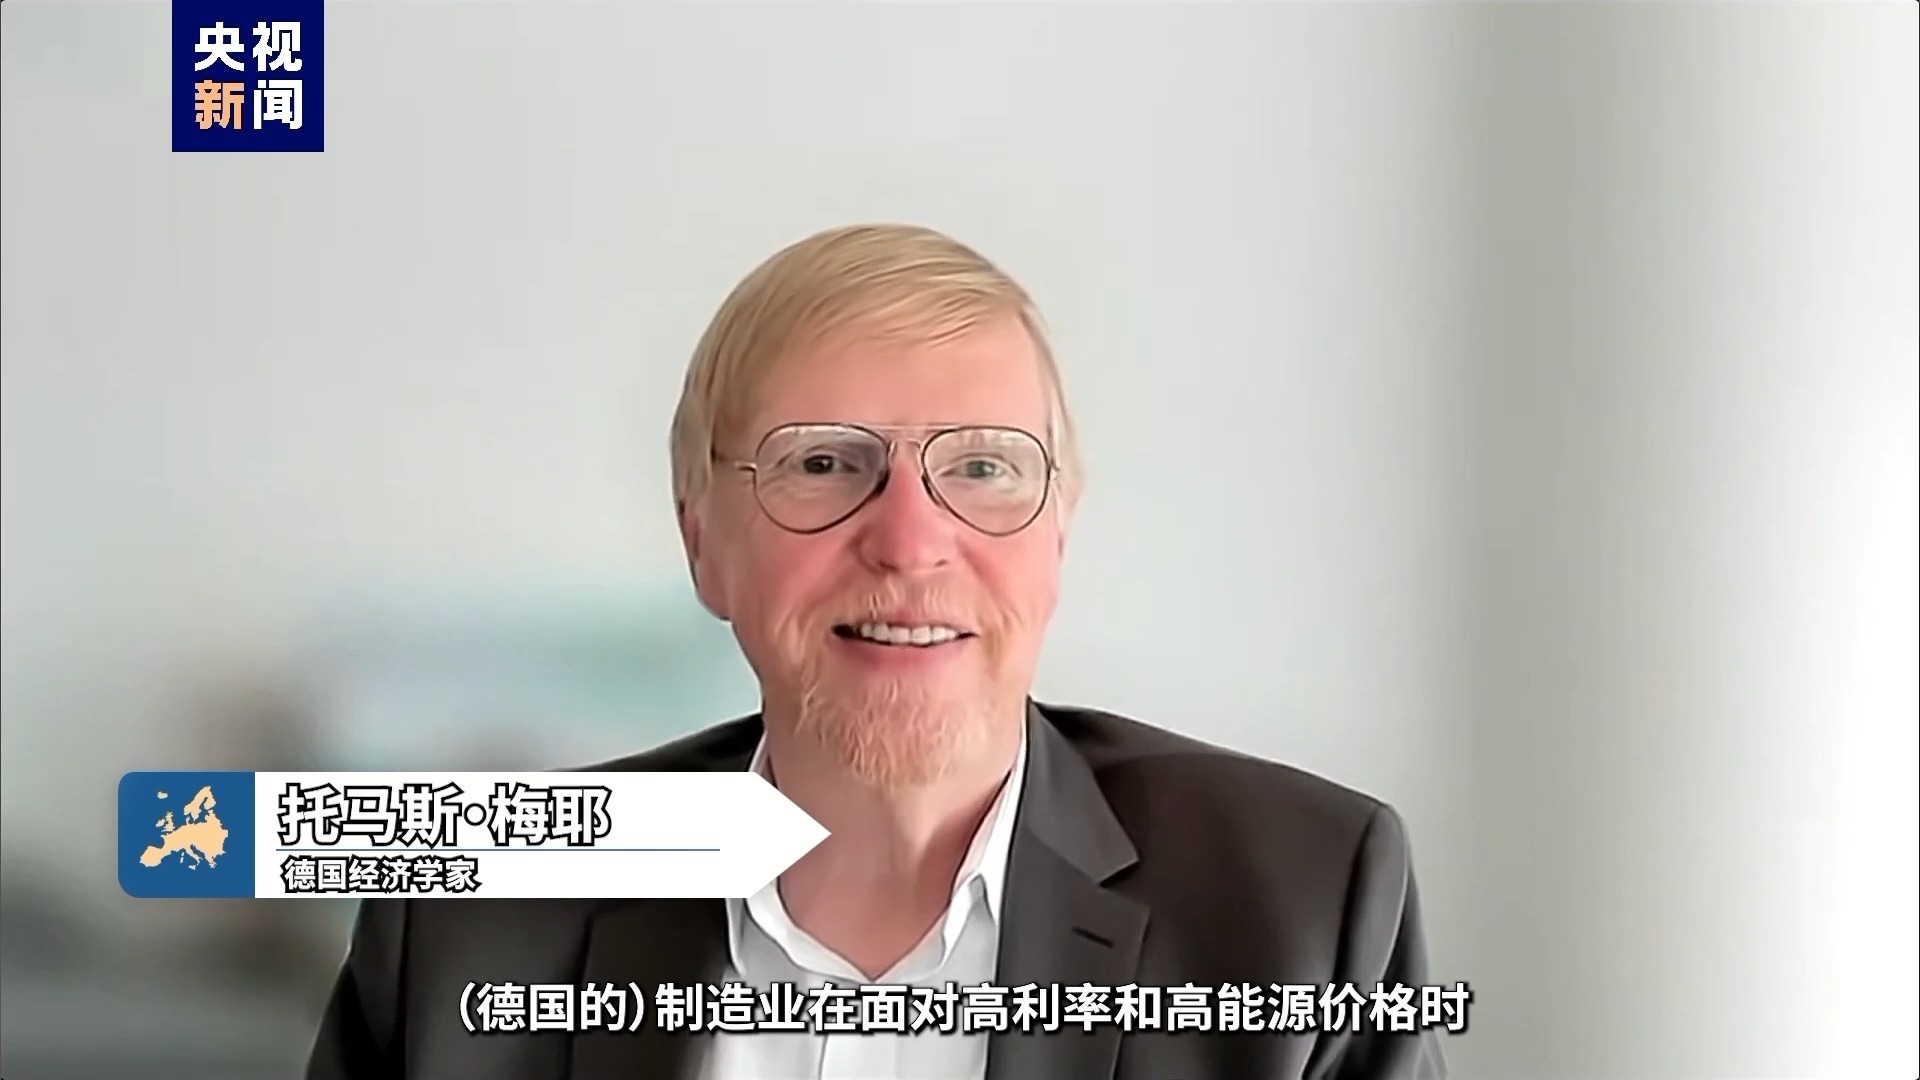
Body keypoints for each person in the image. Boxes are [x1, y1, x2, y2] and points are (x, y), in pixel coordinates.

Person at [305, 224, 1450, 1080]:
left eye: (983, 468)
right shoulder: (465, 922)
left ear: (1057, 537)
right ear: (703, 543)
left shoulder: (1299, 908)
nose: (908, 541)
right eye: (822, 464)